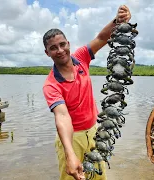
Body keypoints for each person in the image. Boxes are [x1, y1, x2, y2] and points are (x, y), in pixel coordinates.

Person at [42, 5, 132, 180]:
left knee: (98, 177)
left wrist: (118, 20)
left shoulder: (81, 57)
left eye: (62, 44)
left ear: (68, 44)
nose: (60, 50)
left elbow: (101, 37)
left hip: (94, 131)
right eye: (53, 48)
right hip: (71, 138)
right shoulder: (51, 85)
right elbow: (62, 117)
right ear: (47, 53)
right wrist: (69, 153)